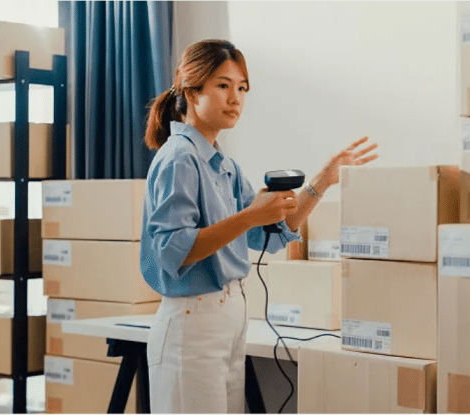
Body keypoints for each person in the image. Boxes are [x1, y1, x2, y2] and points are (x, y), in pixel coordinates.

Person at [139, 39, 378, 413]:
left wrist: (323, 180)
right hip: (193, 321)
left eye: (242, 88)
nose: (235, 98)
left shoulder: (223, 165)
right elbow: (175, 250)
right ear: (191, 89)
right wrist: (251, 214)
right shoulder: (179, 159)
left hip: (229, 318)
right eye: (223, 85)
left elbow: (271, 233)